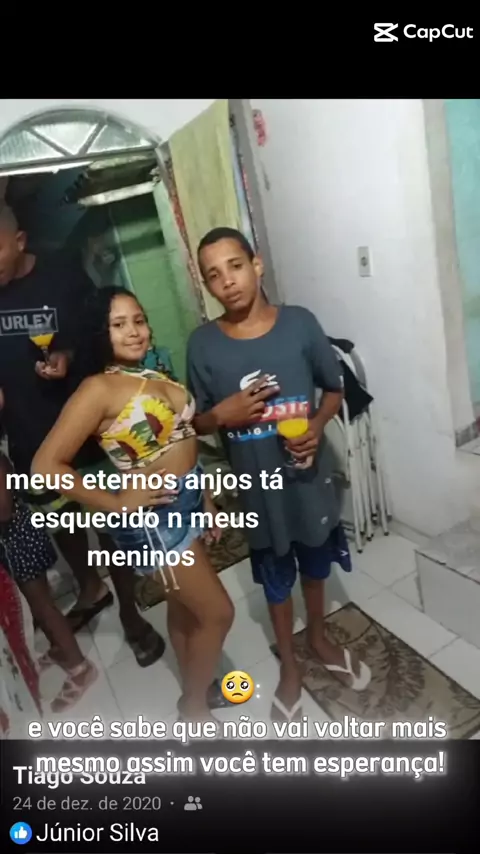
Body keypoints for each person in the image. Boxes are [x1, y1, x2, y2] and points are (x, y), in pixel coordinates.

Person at [186, 227, 371, 723]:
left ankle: (319, 638)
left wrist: (316, 424)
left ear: (257, 264)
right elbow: (195, 423)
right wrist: (220, 415)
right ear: (206, 285)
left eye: (235, 266)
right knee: (274, 580)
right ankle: (289, 664)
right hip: (259, 493)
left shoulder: (300, 324)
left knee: (315, 565)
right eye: (213, 275)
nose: (227, 281)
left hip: (307, 481)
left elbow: (333, 389)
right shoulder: (203, 345)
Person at [33, 286, 235, 721]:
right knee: (219, 613)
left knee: (184, 607)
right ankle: (194, 709)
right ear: (99, 332)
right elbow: (45, 466)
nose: (134, 331)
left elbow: (183, 438)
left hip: (186, 501)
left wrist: (205, 500)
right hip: (155, 522)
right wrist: (117, 503)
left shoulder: (152, 370)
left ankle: (192, 688)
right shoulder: (98, 389)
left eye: (139, 320)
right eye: (119, 324)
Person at [0, 203, 165, 667]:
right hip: (29, 439)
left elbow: (99, 335)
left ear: (19, 241)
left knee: (114, 527)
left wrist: (68, 355)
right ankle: (91, 588)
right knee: (64, 525)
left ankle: (132, 615)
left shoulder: (64, 275)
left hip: (89, 435)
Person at [0, 447, 97, 713]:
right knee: (36, 606)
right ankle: (59, 648)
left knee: (44, 607)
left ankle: (80, 668)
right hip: (13, 542)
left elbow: (4, 510)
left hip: (19, 540)